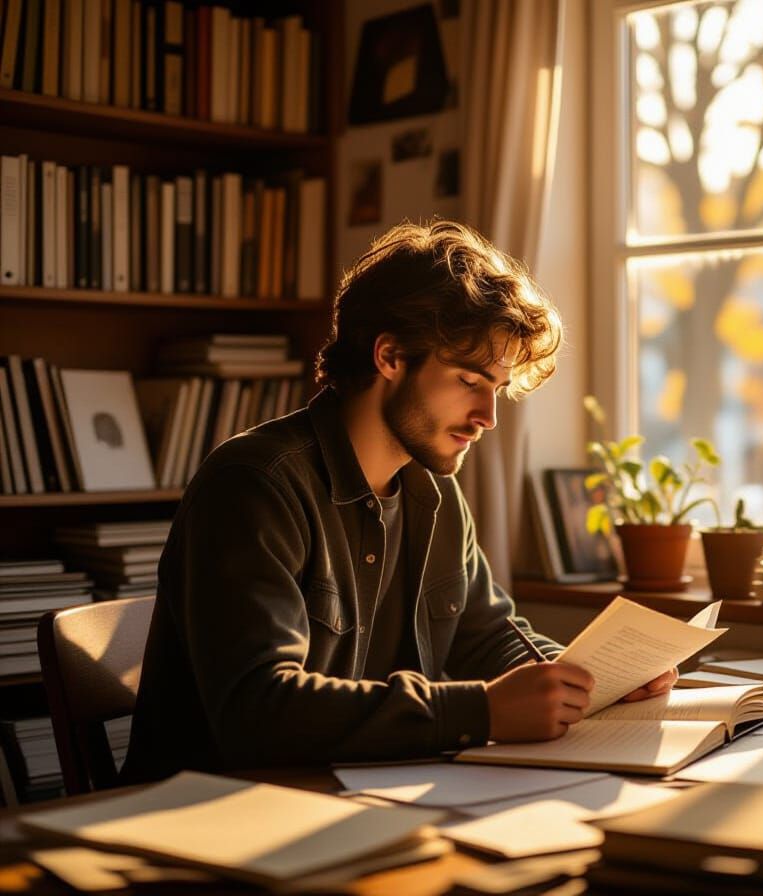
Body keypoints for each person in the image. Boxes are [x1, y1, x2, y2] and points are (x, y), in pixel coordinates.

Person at [121, 221, 674, 782]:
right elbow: (258, 709)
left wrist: (592, 680)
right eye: (468, 380)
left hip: (362, 800)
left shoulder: (435, 493)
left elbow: (486, 636)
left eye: (498, 390)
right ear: (390, 356)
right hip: (217, 820)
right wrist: (480, 711)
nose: (489, 417)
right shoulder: (254, 485)